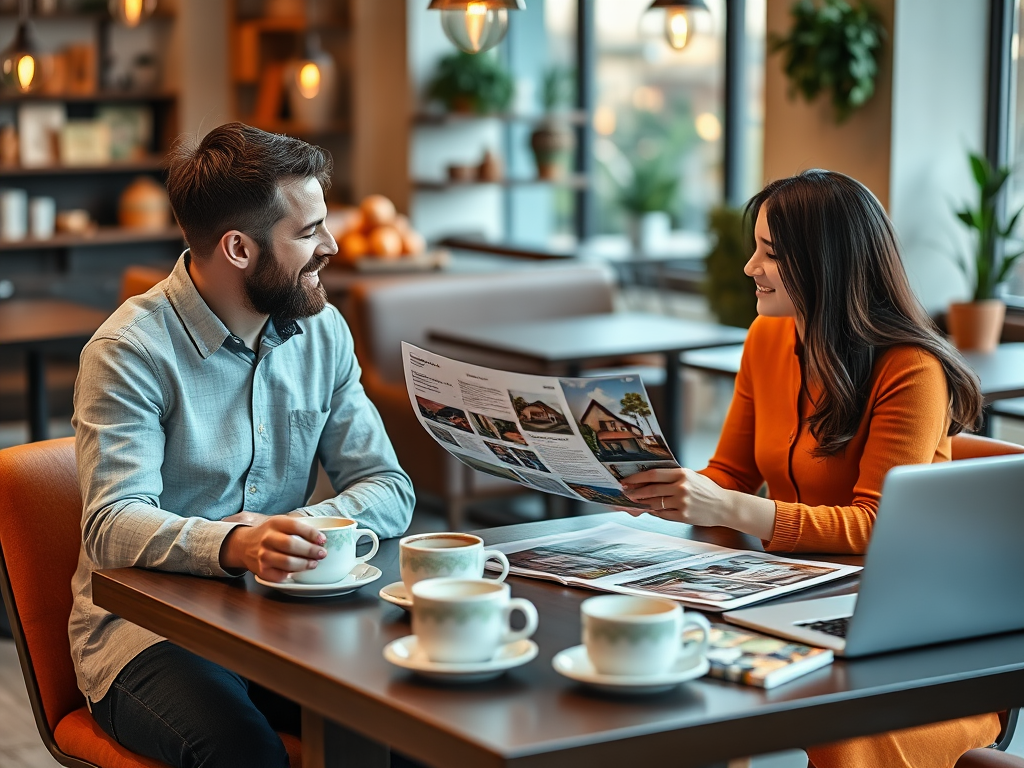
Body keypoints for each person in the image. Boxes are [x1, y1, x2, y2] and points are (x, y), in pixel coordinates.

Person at [621, 169, 1000, 768]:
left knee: (826, 726)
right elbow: (730, 474)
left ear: (827, 265)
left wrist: (731, 509)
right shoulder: (766, 338)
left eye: (769, 254)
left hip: (901, 631)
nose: (750, 267)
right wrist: (658, 485)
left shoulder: (911, 370)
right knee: (660, 680)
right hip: (786, 600)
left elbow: (877, 527)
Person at [69, 122, 415, 768]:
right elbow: (112, 525)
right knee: (246, 755)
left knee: (417, 730)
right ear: (238, 248)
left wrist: (290, 531)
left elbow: (390, 487)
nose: (333, 246)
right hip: (148, 637)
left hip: (280, 622)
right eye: (309, 232)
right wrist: (235, 544)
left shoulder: (324, 334)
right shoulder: (129, 353)